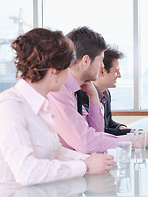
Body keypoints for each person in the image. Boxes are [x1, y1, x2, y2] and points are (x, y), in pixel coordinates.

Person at [0, 28, 113, 186]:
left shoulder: (42, 105)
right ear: (54, 73)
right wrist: (85, 166)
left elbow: (55, 151)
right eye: (67, 68)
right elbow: (27, 172)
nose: (69, 75)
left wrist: (89, 160)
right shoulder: (10, 106)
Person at [48, 27, 148, 154]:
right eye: (101, 61)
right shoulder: (58, 90)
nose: (102, 66)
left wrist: (93, 96)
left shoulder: (79, 89)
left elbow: (96, 135)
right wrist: (132, 140)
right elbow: (85, 143)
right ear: (86, 61)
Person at [79, 46, 148, 140]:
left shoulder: (106, 94)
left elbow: (108, 123)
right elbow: (99, 132)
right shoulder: (84, 95)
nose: (120, 75)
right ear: (102, 71)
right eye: (116, 71)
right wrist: (136, 133)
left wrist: (122, 127)